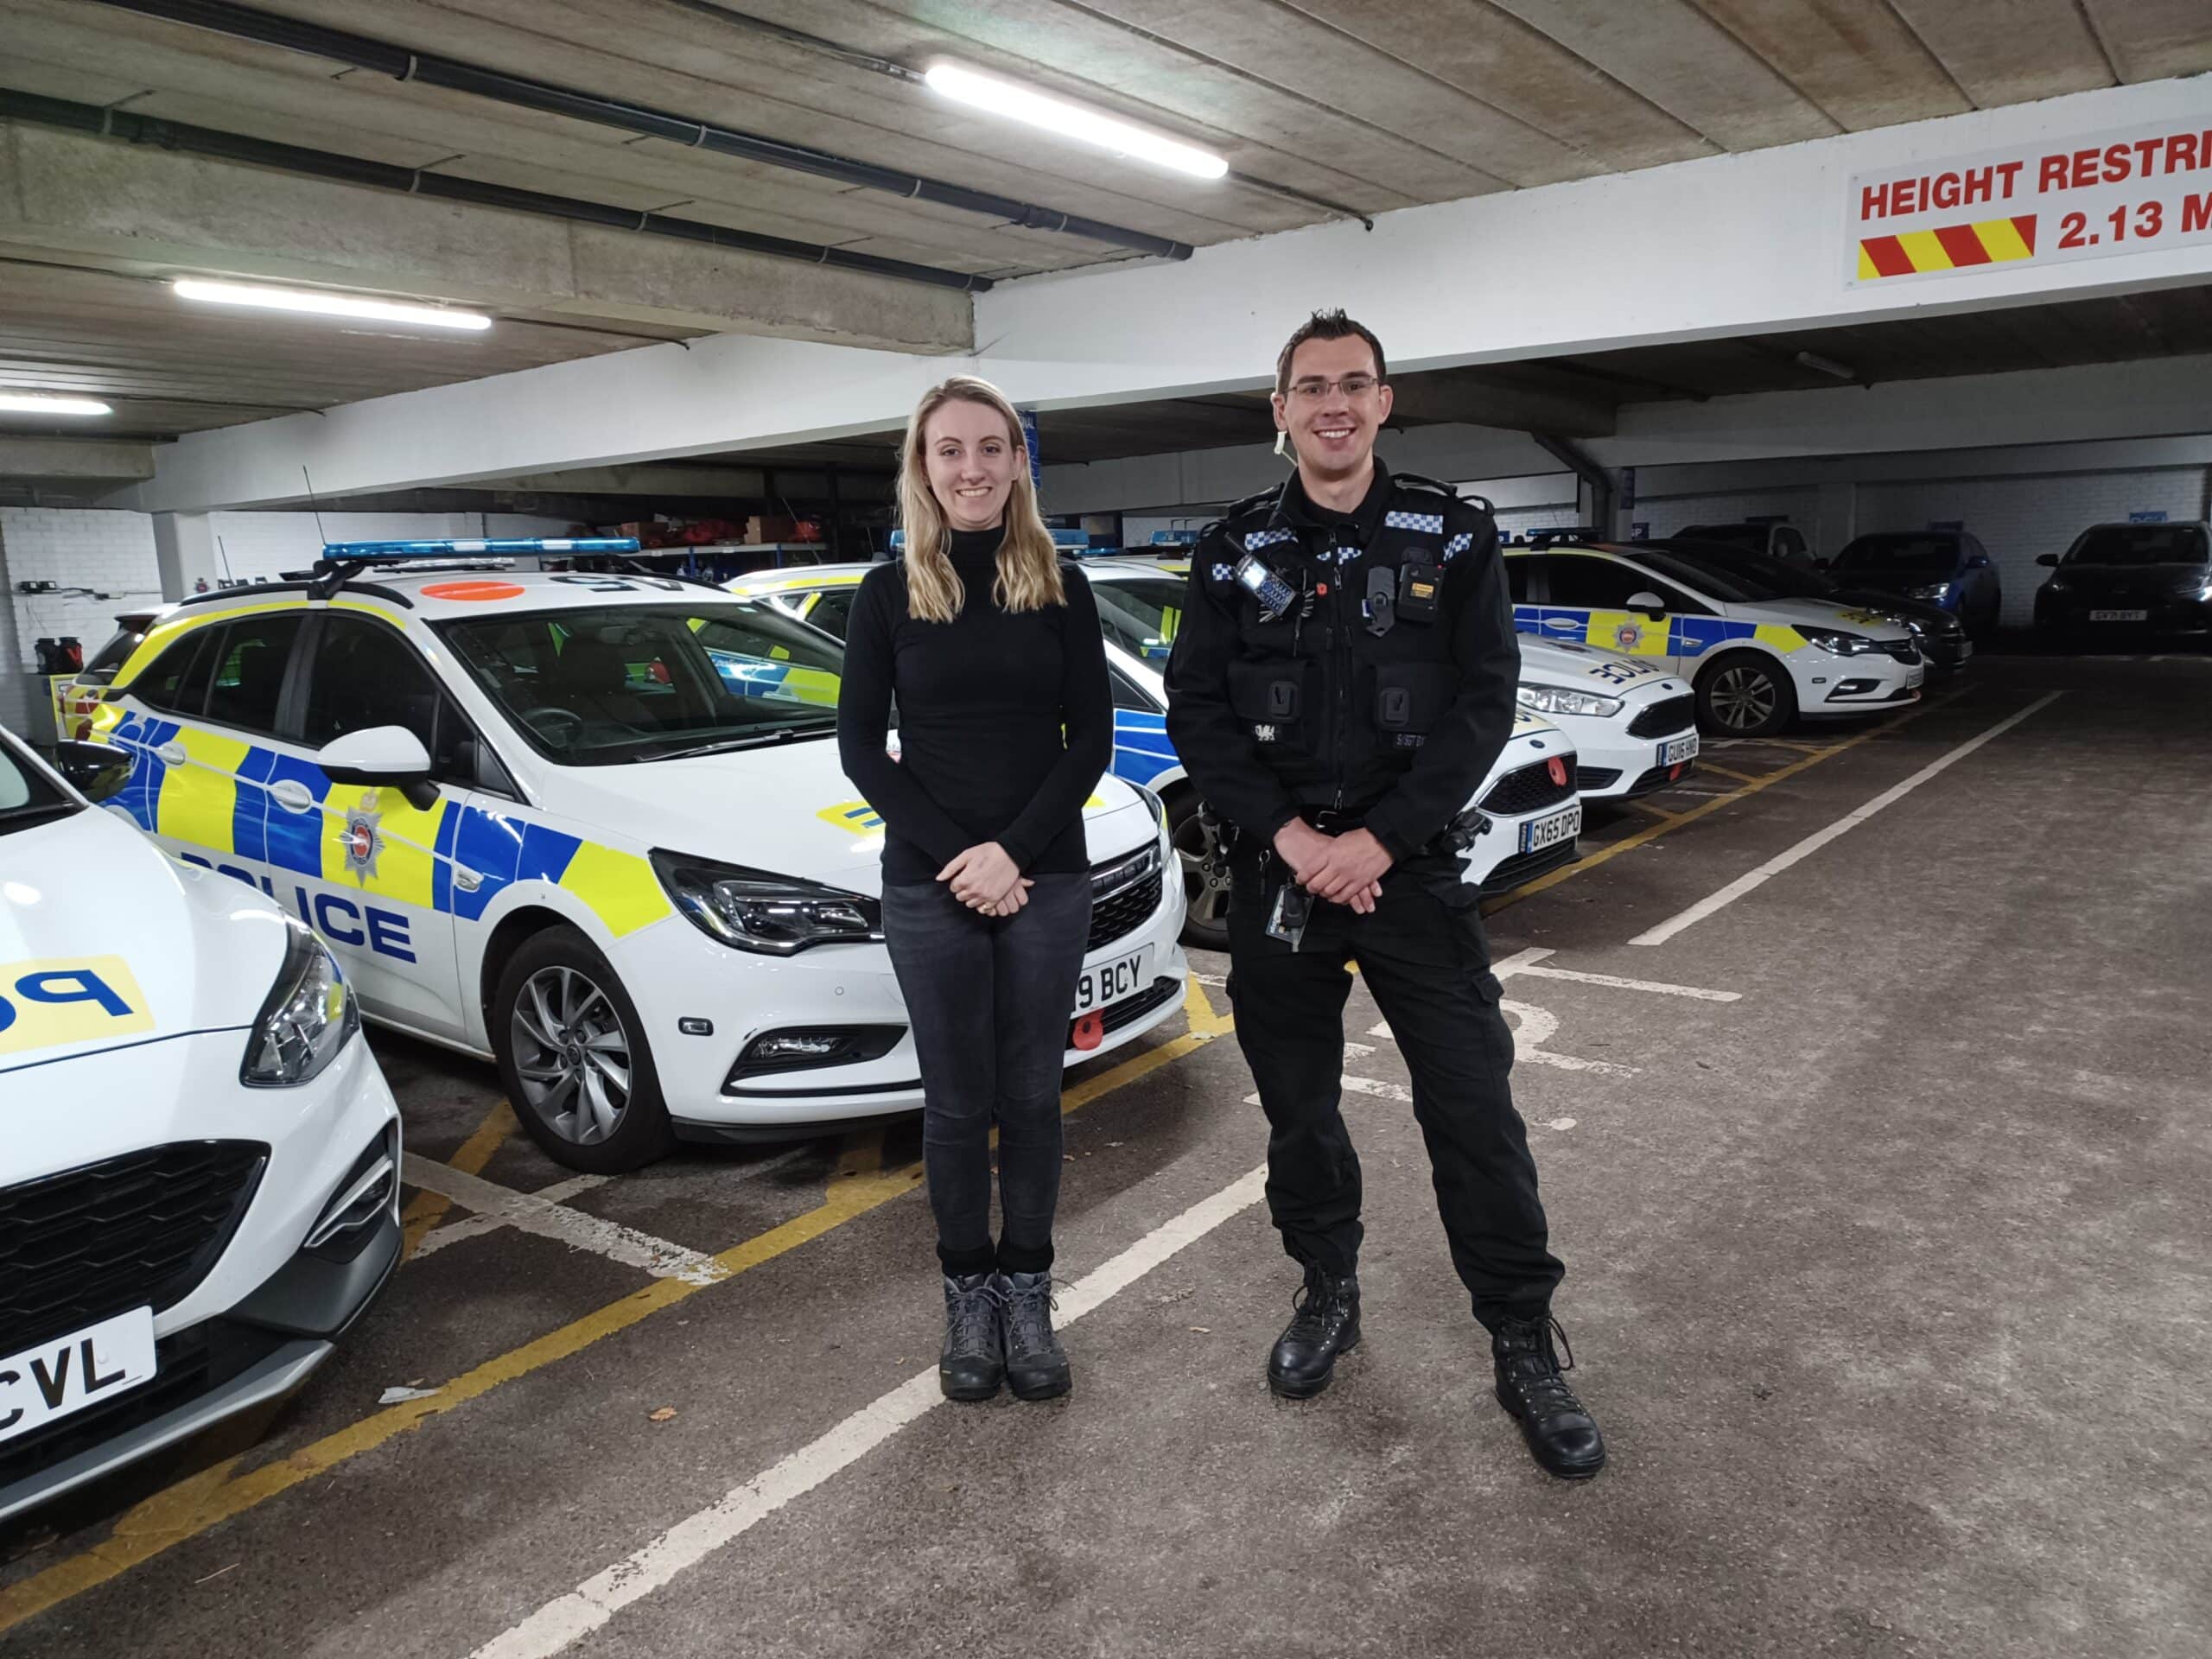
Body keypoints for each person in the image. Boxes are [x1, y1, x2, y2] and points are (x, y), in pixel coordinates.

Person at [1164, 310, 1605, 1478]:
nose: (1334, 405)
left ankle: (1522, 1338)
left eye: (1354, 385)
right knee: (1300, 1110)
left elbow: (1484, 702)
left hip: (1408, 880)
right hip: (1280, 883)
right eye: (1311, 388)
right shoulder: (1229, 550)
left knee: (1473, 1109)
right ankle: (1328, 1286)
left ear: (1385, 401)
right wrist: (1296, 836)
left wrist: (1380, 840)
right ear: (1280, 412)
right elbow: (1198, 715)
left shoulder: (1454, 537)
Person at [838, 374, 1110, 1405]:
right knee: (955, 1106)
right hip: (928, 880)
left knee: (1032, 1096)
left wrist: (1014, 854)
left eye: (991, 448)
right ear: (922, 465)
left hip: (1046, 876)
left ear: (1016, 463)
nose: (972, 469)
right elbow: (861, 750)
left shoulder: (1060, 584)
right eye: (950, 450)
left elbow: (1087, 739)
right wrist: (965, 855)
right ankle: (968, 1297)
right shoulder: (887, 591)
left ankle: (1029, 1294)